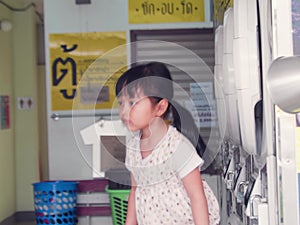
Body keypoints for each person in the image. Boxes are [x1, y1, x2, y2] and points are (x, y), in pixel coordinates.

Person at [115, 62, 220, 225]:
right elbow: (135, 190)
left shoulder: (177, 146)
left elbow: (197, 196)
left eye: (132, 103)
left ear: (160, 107)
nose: (124, 111)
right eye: (121, 103)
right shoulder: (133, 147)